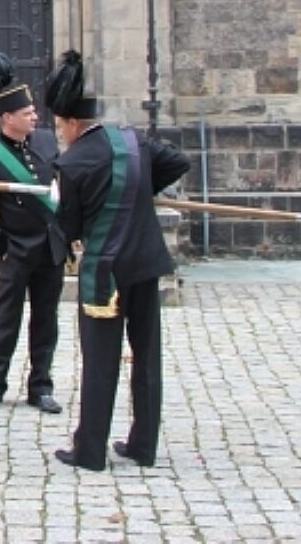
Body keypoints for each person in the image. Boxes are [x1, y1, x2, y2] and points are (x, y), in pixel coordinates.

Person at [45, 50, 189, 472]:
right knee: (146, 356)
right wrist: (138, 191)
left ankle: (90, 451)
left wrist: (62, 212)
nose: (60, 135)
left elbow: (69, 227)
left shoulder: (71, 164)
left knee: (100, 361)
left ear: (73, 123)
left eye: (59, 127)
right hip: (145, 263)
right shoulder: (132, 142)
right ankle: (143, 446)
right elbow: (178, 161)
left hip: (104, 273)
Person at [0, 48, 66, 415]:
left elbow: (60, 188)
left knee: (46, 320)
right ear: (8, 118)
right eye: (28, 113)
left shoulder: (47, 142)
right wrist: (3, 247)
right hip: (17, 251)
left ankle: (41, 386)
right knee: (6, 319)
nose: (35, 116)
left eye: (34, 111)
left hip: (50, 248)